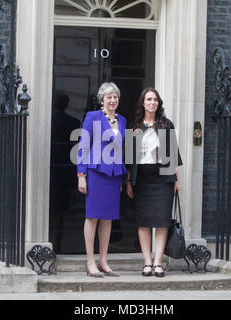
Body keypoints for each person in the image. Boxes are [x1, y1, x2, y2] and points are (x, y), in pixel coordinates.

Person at [126, 88, 182, 278]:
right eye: (149, 99)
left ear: (158, 103)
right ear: (143, 102)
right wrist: (128, 181)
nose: (152, 102)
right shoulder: (135, 126)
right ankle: (147, 262)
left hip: (164, 179)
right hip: (141, 179)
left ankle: (158, 262)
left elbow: (173, 156)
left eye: (155, 99)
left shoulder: (166, 125)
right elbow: (130, 158)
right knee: (143, 222)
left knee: (162, 221)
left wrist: (176, 180)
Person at [77, 82, 127, 277]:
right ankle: (90, 262)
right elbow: (83, 147)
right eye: (109, 97)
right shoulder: (93, 117)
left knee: (108, 219)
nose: (113, 100)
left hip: (114, 175)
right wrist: (82, 176)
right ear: (102, 100)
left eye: (115, 97)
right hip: (96, 173)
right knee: (92, 217)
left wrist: (122, 177)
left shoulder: (122, 120)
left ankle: (104, 261)